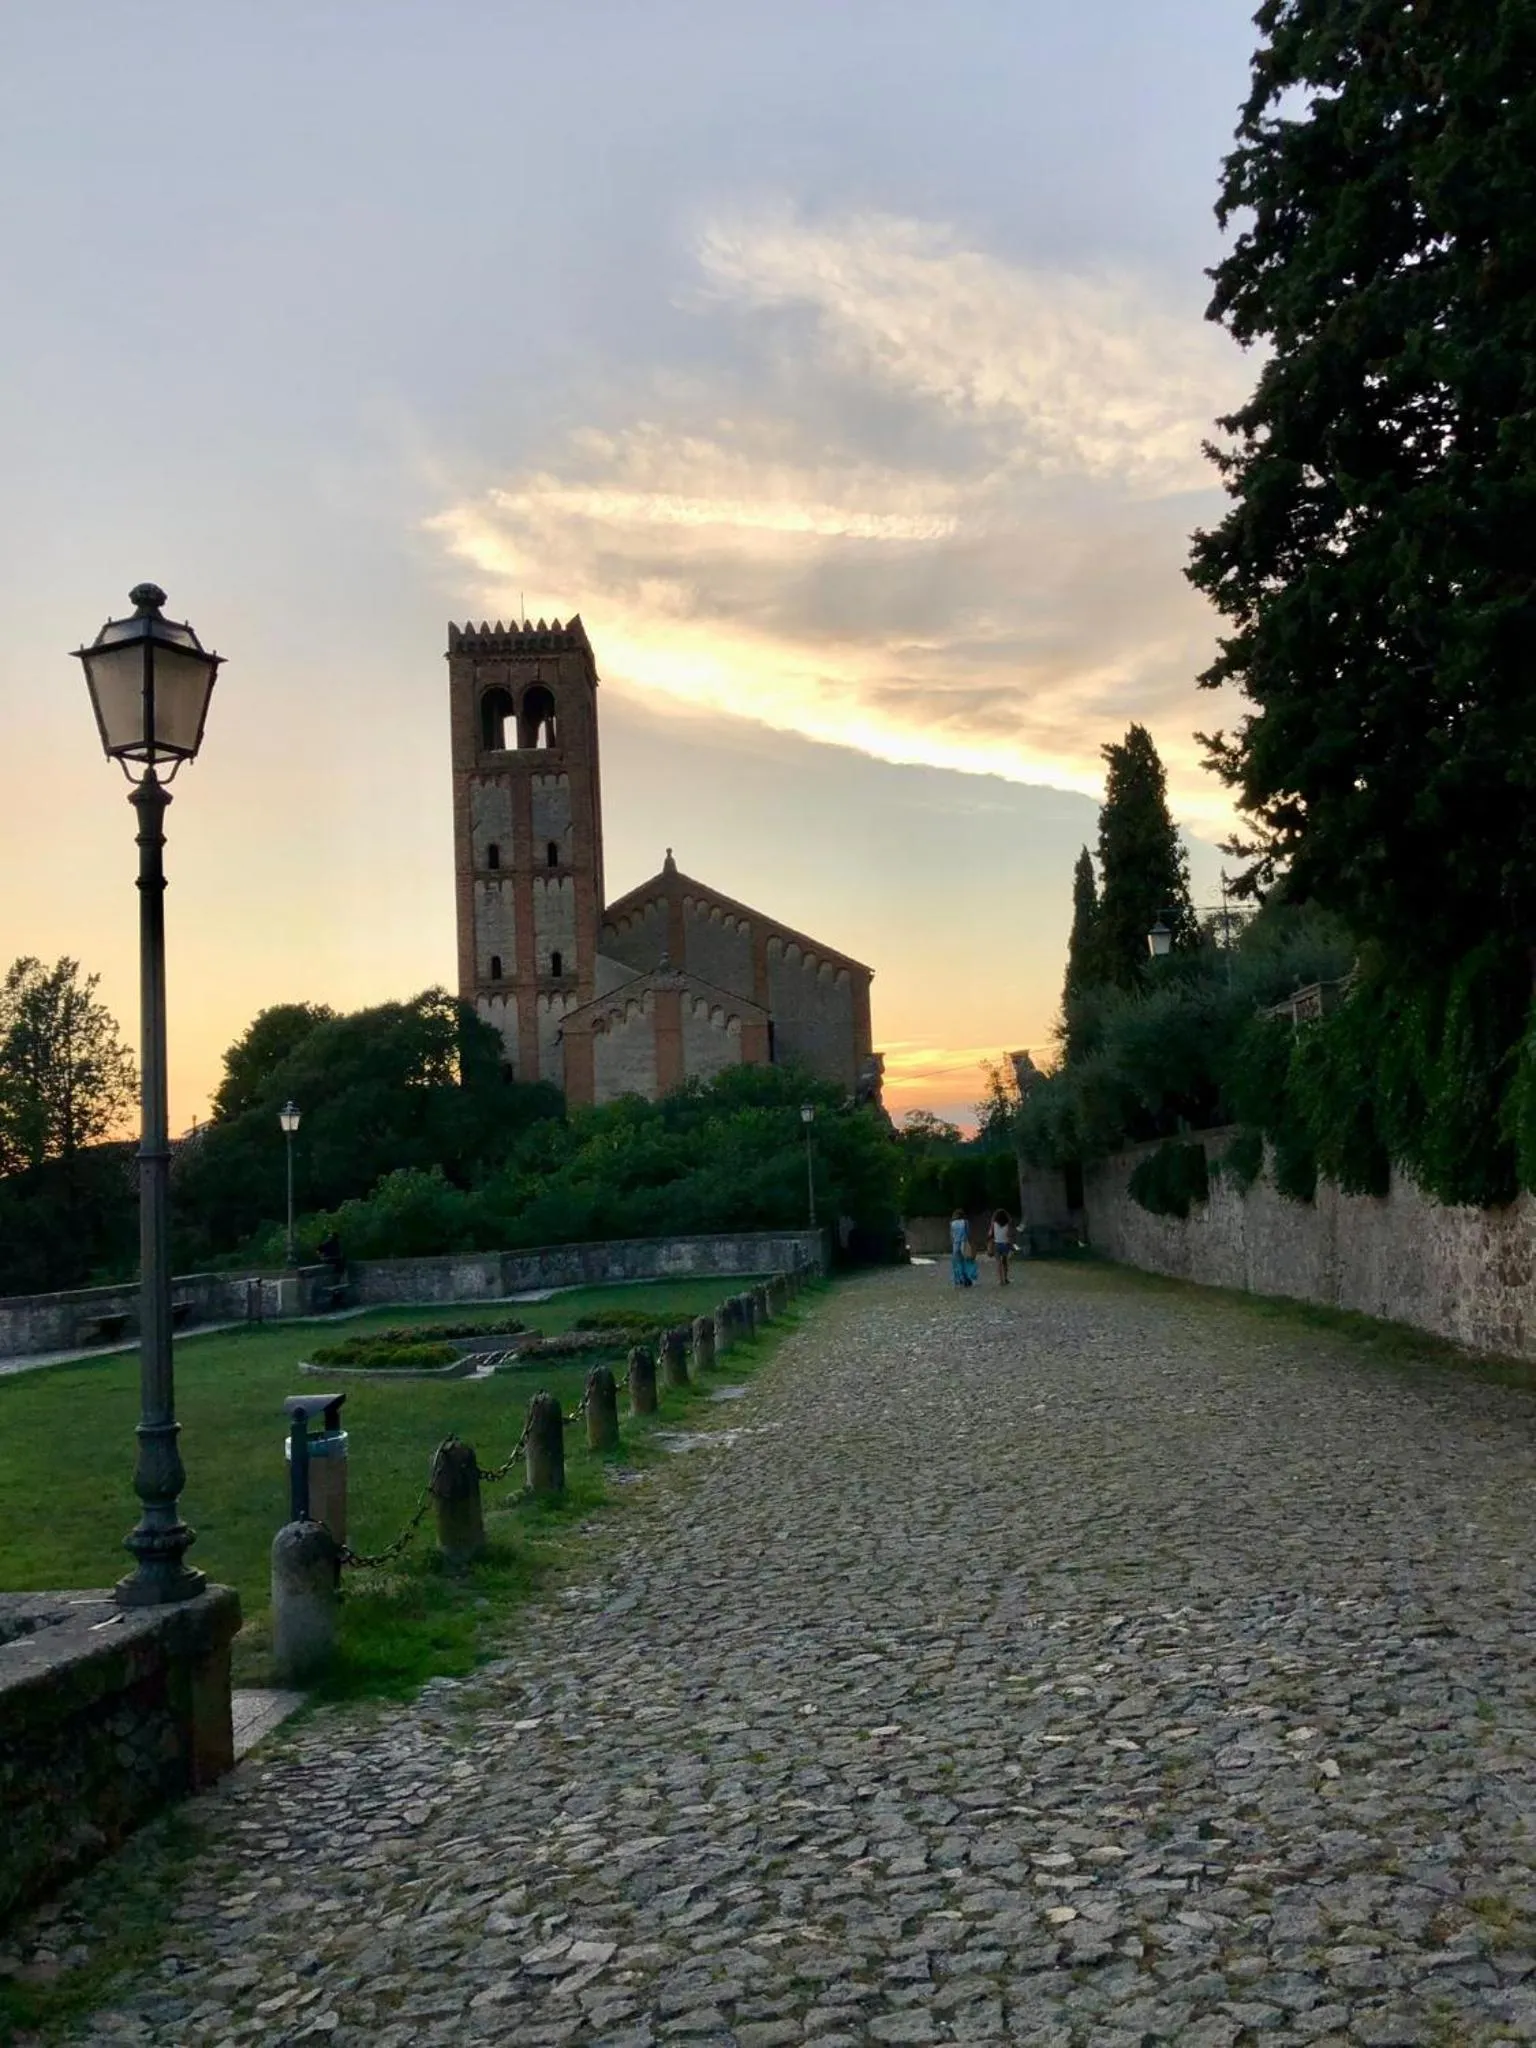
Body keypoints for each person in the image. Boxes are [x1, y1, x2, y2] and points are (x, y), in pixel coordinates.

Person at [949, 1209, 975, 1288]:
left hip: (956, 1244)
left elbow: (951, 1236)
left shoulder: (952, 1224)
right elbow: (968, 1234)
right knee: (966, 1262)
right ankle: (966, 1279)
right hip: (964, 1243)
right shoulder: (965, 1222)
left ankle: (958, 1280)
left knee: (956, 1263)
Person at [991, 1209, 1014, 1285]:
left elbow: (991, 1234)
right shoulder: (1008, 1224)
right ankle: (1006, 1278)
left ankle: (1001, 1280)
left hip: (997, 1244)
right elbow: (1010, 1235)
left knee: (998, 1263)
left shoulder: (994, 1223)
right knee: (1005, 1262)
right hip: (1005, 1244)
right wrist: (1011, 1245)